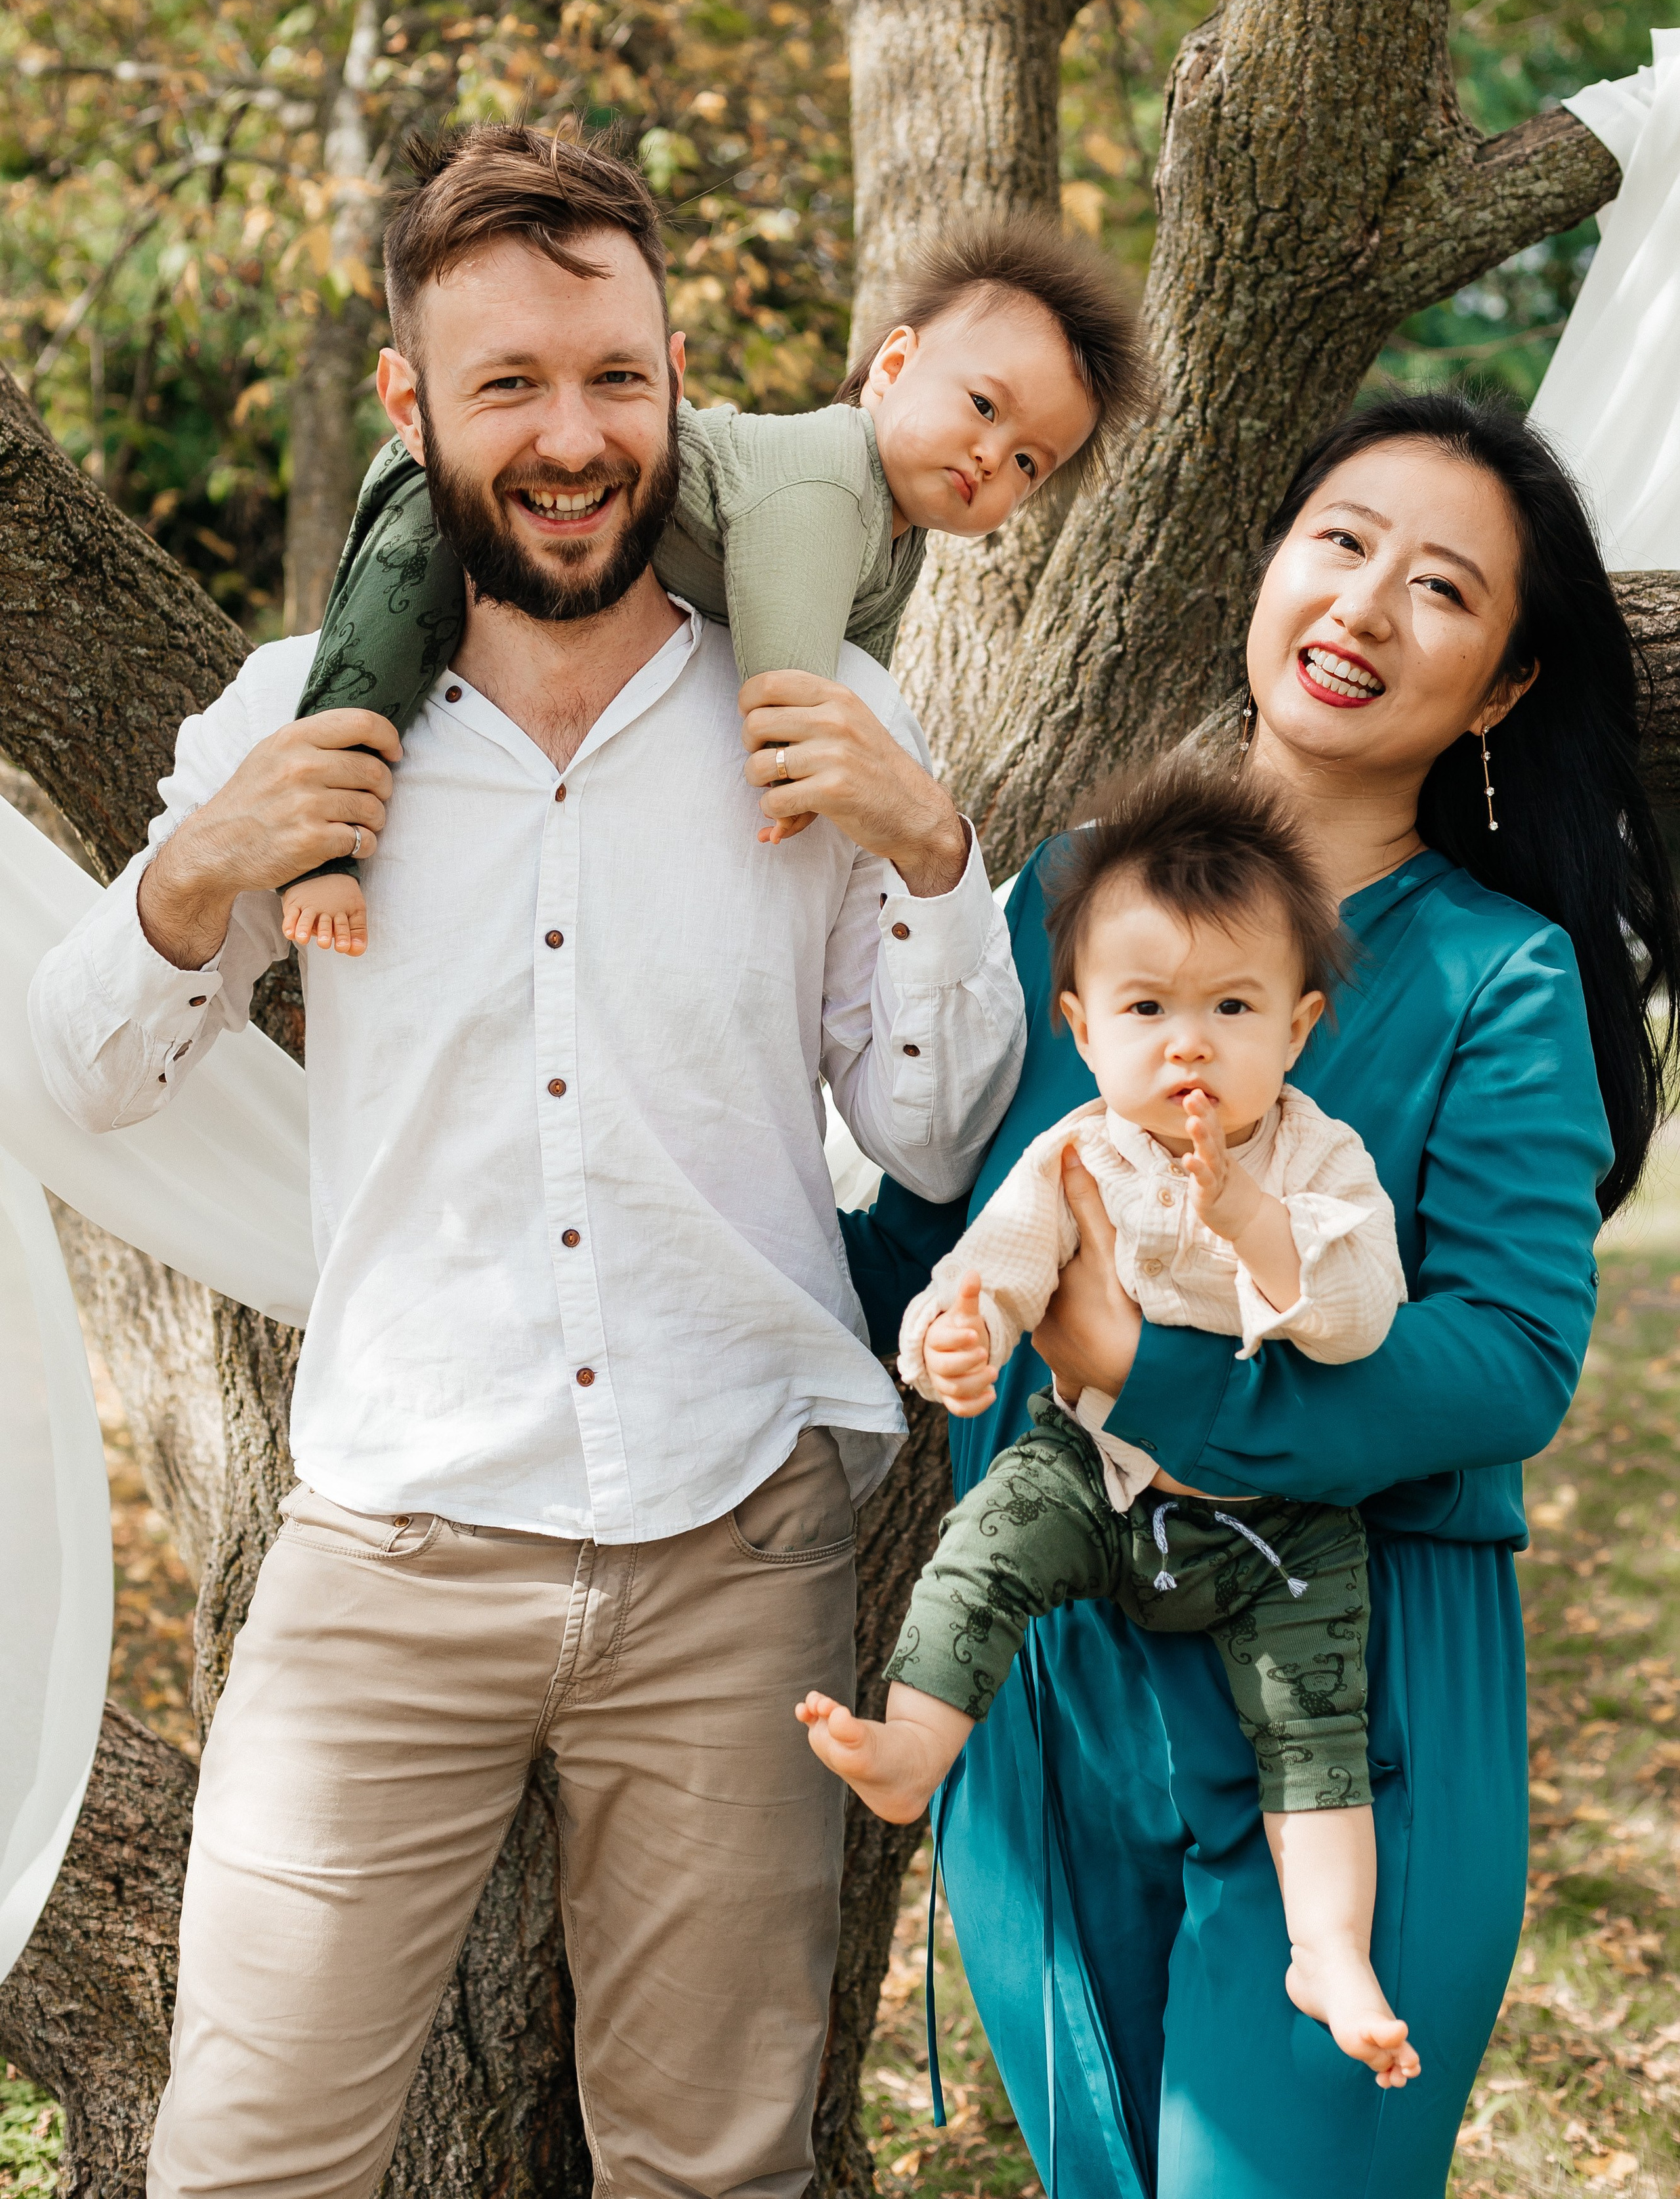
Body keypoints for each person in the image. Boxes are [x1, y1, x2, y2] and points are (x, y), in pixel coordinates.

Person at [28, 129, 1029, 2199]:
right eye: (508, 387)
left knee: (715, 2165)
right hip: (390, 1551)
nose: (573, 440)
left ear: (683, 385)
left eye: (616, 379)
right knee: (247, 2160)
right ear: (412, 407)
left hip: (737, 1552)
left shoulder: (819, 704)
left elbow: (931, 1127)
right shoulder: (287, 721)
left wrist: (937, 855)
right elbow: (76, 1087)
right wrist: (194, 874)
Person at [839, 393, 1680, 2196]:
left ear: (1508, 685)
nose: (1367, 608)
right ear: (1270, 563)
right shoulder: (1069, 895)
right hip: (1057, 1678)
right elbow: (920, 1238)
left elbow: (1511, 1360)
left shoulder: (1499, 976)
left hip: (1356, 1683)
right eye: (1341, 542)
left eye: (1442, 589)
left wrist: (1142, 1370)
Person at [800, 754, 1417, 2087]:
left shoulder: (1317, 1160)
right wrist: (953, 1339)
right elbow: (995, 1267)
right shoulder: (1073, 1151)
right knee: (981, 1548)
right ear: (1081, 1028)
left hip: (1277, 1523)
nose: (1185, 1042)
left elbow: (1359, 1310)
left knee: (1315, 1725)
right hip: (1096, 1469)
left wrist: (1249, 1220)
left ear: (1296, 1029)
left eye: (1229, 1006)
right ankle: (915, 1743)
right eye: (1146, 1007)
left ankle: (1328, 1945)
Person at [279, 133, 1146, 955]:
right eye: (984, 407)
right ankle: (319, 854)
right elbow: (788, 650)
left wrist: (855, 761)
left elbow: (858, 682)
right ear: (892, 367)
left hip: (585, 530)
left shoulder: (898, 545)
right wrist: (788, 755)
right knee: (384, 647)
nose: (992, 456)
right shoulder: (831, 472)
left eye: (1030, 462)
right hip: (453, 501)